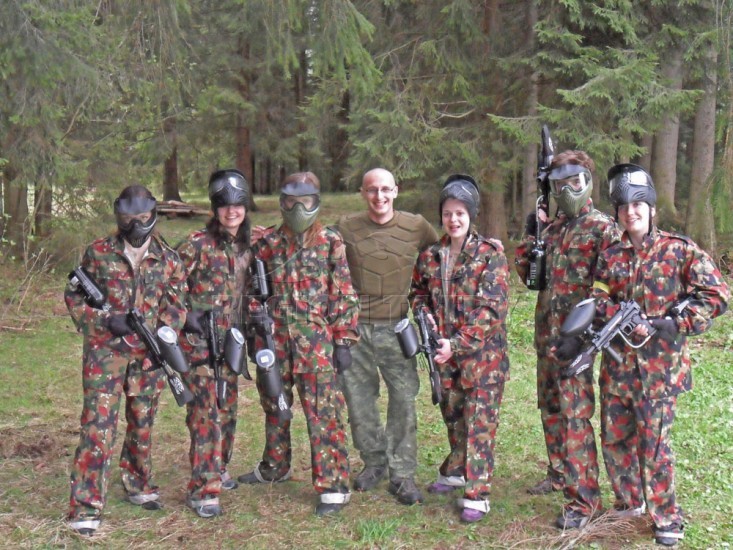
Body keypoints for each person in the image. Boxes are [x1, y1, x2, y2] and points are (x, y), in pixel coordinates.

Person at [586, 164, 729, 546]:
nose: (630, 212)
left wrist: (673, 323)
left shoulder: (678, 250)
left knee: (654, 448)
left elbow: (717, 296)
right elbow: (598, 293)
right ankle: (629, 503)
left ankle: (666, 517)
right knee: (615, 440)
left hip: (659, 372)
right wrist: (613, 313)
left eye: (638, 205)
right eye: (623, 207)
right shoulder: (611, 254)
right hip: (618, 367)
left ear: (651, 209)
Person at [64, 185, 186, 536]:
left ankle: (138, 482)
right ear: (119, 217)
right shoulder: (99, 252)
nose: (135, 225)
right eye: (128, 218)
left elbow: (177, 305)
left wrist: (162, 334)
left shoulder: (168, 259)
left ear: (153, 216)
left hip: (147, 355)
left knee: (142, 422)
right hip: (105, 356)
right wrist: (104, 320)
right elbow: (74, 296)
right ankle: (86, 506)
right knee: (97, 427)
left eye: (142, 218)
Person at [237, 171, 360, 516]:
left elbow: (344, 293)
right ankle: (275, 465)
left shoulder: (330, 242)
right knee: (275, 406)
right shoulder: (267, 244)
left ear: (316, 203)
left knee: (324, 412)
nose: (298, 209)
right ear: (282, 203)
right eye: (291, 202)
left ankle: (333, 485)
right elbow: (252, 293)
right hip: (274, 341)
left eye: (305, 202)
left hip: (316, 345)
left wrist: (343, 341)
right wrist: (255, 334)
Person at [514, 150, 618, 529]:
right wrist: (533, 234)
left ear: (587, 182)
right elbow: (529, 277)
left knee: (575, 416)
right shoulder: (553, 229)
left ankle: (584, 501)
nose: (568, 189)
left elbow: (609, 286)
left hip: (579, 342)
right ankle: (558, 473)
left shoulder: (603, 228)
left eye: (575, 181)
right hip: (547, 335)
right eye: (560, 184)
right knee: (551, 408)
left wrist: (586, 337)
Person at [409, 174, 509, 523]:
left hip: (483, 358)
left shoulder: (490, 255)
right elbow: (417, 293)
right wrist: (424, 317)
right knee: (453, 416)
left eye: (460, 213)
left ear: (472, 215)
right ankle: (456, 470)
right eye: (448, 213)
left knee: (479, 422)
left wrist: (457, 344)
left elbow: (491, 310)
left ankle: (477, 494)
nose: (453, 220)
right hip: (444, 356)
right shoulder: (430, 256)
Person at [335, 168, 438, 505]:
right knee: (359, 400)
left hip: (397, 329)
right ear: (362, 193)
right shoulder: (346, 227)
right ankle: (374, 462)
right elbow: (319, 253)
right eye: (371, 190)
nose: (379, 197)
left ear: (396, 191)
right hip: (356, 331)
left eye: (385, 190)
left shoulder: (416, 226)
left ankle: (402, 473)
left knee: (404, 399)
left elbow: (440, 254)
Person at [176, 169, 253, 517]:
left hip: (233, 343)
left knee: (227, 408)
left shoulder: (251, 244)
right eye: (224, 205)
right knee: (205, 414)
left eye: (238, 205)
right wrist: (185, 316)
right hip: (200, 344)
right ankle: (203, 490)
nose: (231, 212)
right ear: (214, 208)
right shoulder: (196, 244)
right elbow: (166, 284)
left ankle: (219, 467)